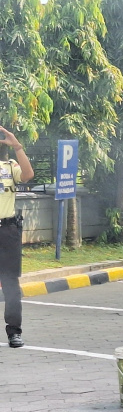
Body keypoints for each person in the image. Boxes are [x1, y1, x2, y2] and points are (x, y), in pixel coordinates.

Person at [0, 126, 33, 348]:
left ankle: (14, 331)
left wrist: (17, 146)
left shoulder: (9, 167)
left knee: (10, 282)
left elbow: (28, 175)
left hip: (7, 230)